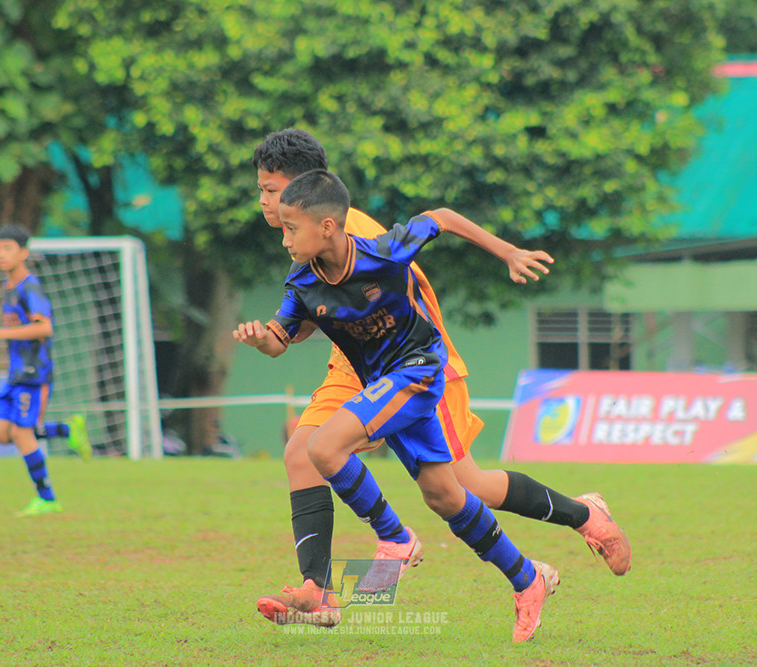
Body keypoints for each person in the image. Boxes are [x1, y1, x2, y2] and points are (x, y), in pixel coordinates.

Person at [250, 129, 631, 627]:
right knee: (303, 453)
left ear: (309, 190)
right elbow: (306, 318)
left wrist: (503, 257)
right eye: (260, 190)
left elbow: (411, 289)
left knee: (465, 485)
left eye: (271, 190)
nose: (264, 202)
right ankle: (319, 592)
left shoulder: (354, 233)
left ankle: (582, 515)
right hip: (354, 365)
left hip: (419, 366)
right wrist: (273, 335)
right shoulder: (301, 241)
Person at [0, 225, 92, 517]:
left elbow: (44, 327)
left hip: (35, 373)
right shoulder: (9, 289)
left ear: (24, 252)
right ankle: (67, 430)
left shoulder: (30, 287)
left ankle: (47, 499)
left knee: (22, 433)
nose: (1, 254)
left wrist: (1, 334)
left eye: (8, 248)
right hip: (16, 373)